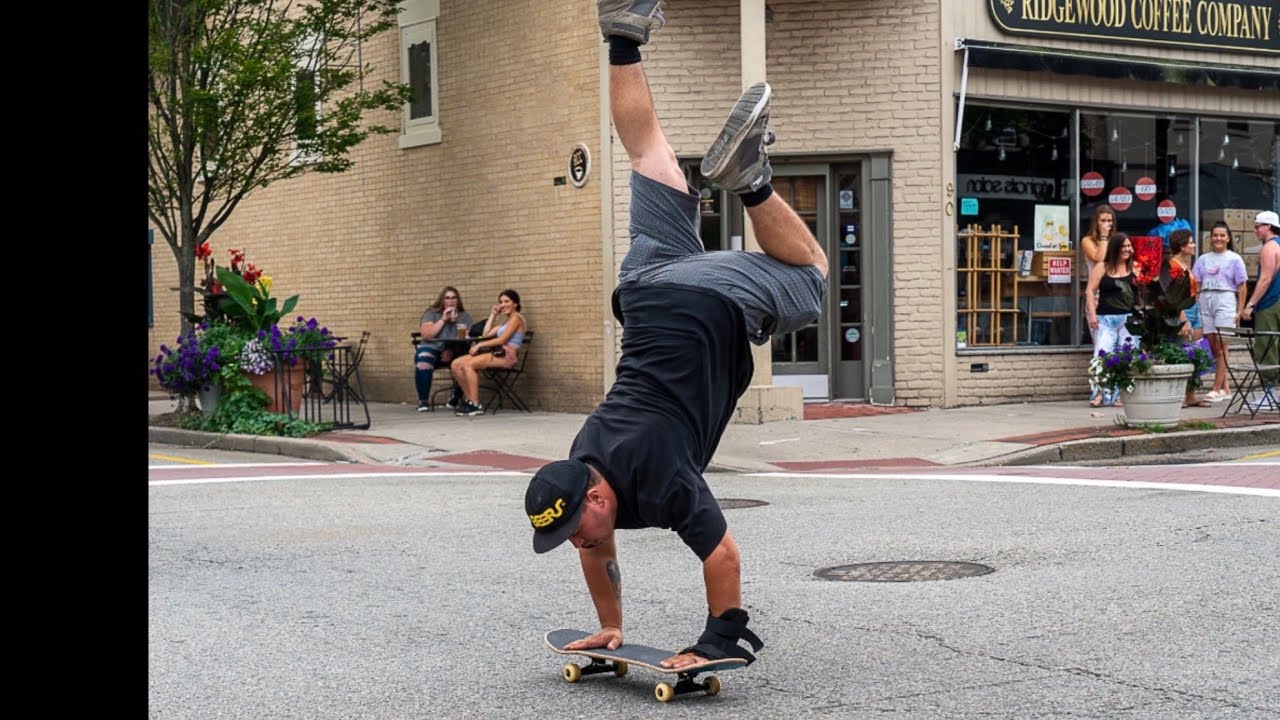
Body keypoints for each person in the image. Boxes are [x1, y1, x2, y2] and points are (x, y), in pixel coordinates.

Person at [524, 1, 827, 671]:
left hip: (698, 302)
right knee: (651, 156)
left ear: (595, 498)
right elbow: (600, 551)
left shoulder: (657, 477)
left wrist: (717, 639)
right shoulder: (585, 462)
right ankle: (625, 35)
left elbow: (721, 553)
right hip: (642, 286)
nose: (581, 544)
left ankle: (749, 182)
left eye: (575, 530)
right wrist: (610, 627)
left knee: (811, 278)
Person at [1193, 222, 1249, 402]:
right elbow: (1197, 281)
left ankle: (1216, 388)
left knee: (1223, 345)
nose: (1218, 238)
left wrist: (1240, 310)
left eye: (1222, 235)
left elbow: (1242, 286)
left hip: (1225, 299)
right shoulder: (1203, 259)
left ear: (1228, 238)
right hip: (1206, 299)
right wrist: (1197, 298)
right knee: (1213, 345)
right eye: (1215, 235)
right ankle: (1225, 387)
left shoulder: (1234, 259)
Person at [449, 289, 526, 416]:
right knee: (456, 364)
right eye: (500, 302)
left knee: (469, 365)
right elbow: (485, 334)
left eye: (507, 301)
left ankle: (475, 404)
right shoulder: (505, 322)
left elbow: (502, 339)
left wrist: (480, 345)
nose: (503, 304)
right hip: (497, 353)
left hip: (507, 355)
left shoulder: (517, 319)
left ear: (515, 304)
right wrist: (493, 315)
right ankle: (470, 401)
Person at [1085, 232, 1138, 407]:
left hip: (1128, 320)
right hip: (1105, 318)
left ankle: (1121, 395)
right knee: (1102, 354)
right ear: (1115, 248)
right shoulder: (1102, 267)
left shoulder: (1135, 268)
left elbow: (1143, 294)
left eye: (1129, 246)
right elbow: (1090, 291)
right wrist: (1092, 314)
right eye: (1123, 246)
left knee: (1126, 356)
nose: (1127, 249)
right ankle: (1100, 393)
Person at [414, 287, 474, 412]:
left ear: (458, 300)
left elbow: (466, 340)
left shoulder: (464, 316)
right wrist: (443, 319)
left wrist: (450, 350)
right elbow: (426, 335)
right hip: (432, 349)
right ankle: (423, 401)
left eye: (454, 298)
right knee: (423, 359)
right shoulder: (432, 313)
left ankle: (455, 397)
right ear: (442, 300)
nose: (451, 301)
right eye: (447, 298)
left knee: (466, 362)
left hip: (453, 351)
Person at [1240, 210, 1280, 388]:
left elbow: (1265, 279)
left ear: (1268, 227)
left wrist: (1250, 304)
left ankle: (1269, 390)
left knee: (1266, 345)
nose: (1255, 231)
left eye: (1257, 227)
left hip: (1269, 303)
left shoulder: (1269, 248)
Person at [1169, 229, 1207, 408]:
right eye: (1191, 242)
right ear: (1182, 246)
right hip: (1184, 311)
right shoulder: (1174, 266)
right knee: (1182, 352)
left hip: (1194, 309)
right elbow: (1174, 296)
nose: (1193, 245)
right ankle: (1179, 394)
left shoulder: (1185, 264)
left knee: (1195, 353)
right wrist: (1183, 318)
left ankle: (1191, 394)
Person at [1081, 205, 1115, 406]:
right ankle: (1099, 391)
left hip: (1114, 294)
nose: (1107, 225)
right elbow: (1099, 259)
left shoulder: (1116, 239)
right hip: (1095, 295)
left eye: (1110, 221)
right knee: (1100, 347)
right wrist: (1103, 237)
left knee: (1116, 347)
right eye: (1103, 220)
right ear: (1096, 222)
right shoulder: (1088, 241)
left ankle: (1114, 391)